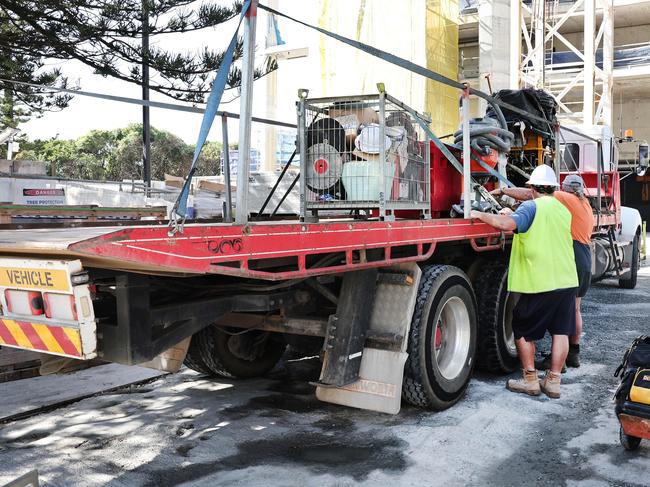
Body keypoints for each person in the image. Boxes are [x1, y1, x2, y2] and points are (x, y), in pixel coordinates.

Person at [471, 165, 578, 398]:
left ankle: (530, 379)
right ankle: (553, 382)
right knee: (561, 332)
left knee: (521, 328)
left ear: (532, 188)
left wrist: (480, 215)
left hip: (541, 281)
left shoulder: (531, 206)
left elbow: (508, 226)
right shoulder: (562, 209)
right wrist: (510, 203)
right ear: (553, 188)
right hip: (567, 279)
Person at [492, 174, 593, 368]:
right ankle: (573, 353)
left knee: (556, 314)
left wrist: (503, 190)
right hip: (585, 256)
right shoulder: (584, 202)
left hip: (573, 254)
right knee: (573, 309)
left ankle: (558, 363)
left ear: (564, 188)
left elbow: (532, 195)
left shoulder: (564, 198)